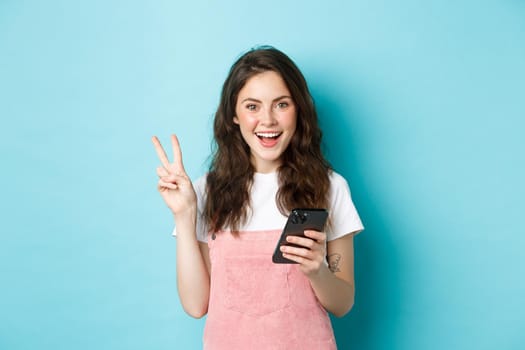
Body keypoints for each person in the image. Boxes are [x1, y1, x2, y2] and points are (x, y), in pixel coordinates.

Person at [152, 46, 363, 349]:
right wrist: (184, 216)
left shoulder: (330, 187)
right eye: (252, 106)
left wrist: (318, 271)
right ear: (233, 116)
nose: (267, 120)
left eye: (281, 104)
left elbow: (342, 303)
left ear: (298, 109)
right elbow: (196, 305)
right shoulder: (204, 191)